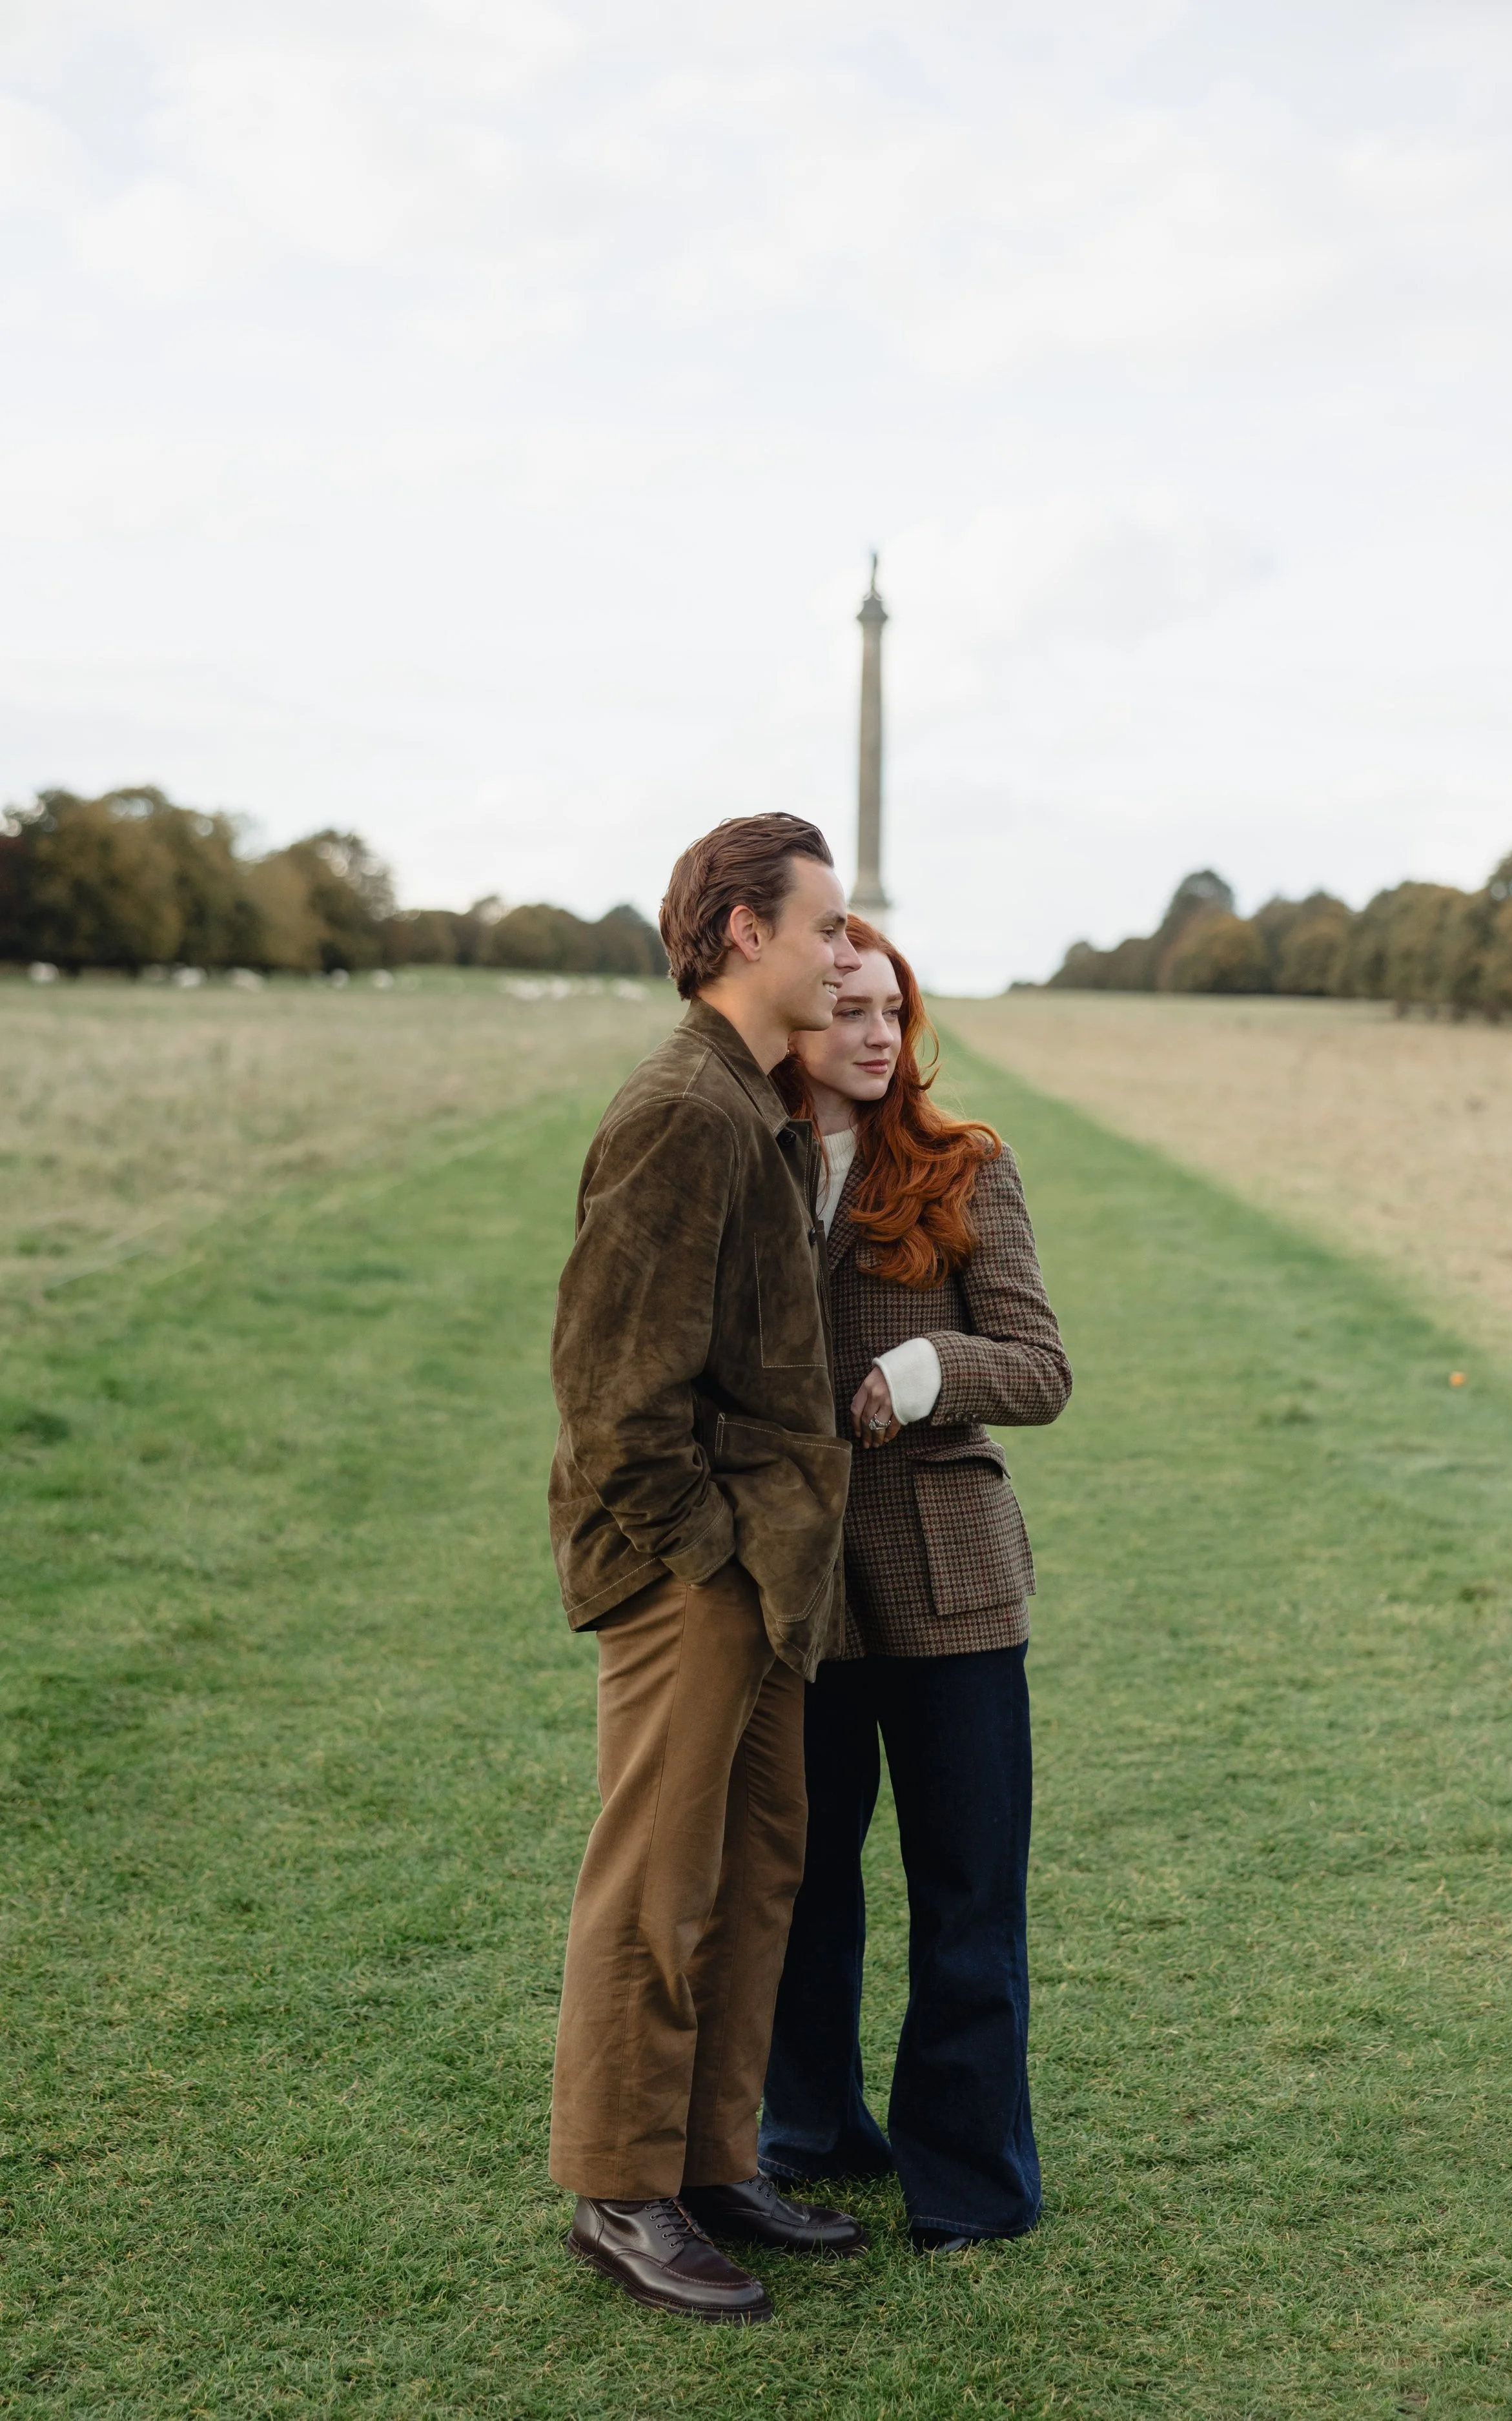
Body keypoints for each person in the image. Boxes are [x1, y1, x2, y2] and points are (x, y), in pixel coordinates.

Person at [546, 814, 870, 2325]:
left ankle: (711, 2163)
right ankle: (620, 2191)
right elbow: (613, 1388)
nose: (846, 950)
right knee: (657, 1890)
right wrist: (709, 1558)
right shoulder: (684, 1106)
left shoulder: (759, 1103)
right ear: (746, 931)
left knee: (754, 1877)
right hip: (698, 1573)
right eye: (827, 925)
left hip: (764, 1571)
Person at [759, 917, 1072, 2251]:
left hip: (951, 1585)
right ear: (789, 1019)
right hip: (797, 1591)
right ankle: (811, 2132)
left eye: (893, 1009)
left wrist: (929, 1371)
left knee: (965, 1895)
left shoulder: (962, 1164)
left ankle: (968, 2184)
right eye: (846, 1011)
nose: (879, 1034)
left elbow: (1039, 1369)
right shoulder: (744, 1161)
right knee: (802, 1884)